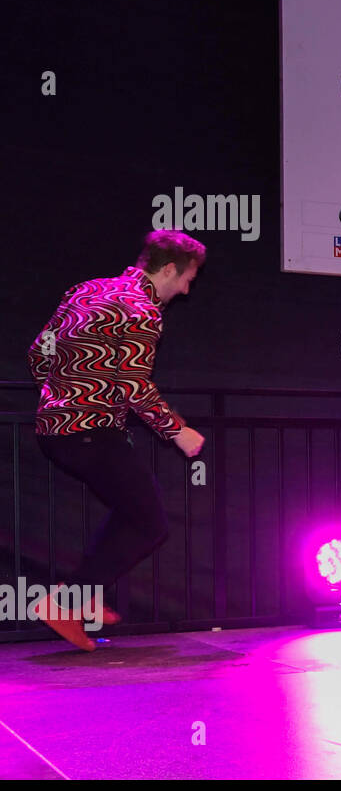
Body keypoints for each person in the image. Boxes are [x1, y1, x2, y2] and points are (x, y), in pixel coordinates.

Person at [26, 229, 207, 651]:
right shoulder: (142, 310)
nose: (184, 289)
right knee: (150, 523)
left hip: (55, 430)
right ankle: (66, 602)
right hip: (90, 432)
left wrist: (61, 393)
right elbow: (132, 384)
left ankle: (81, 596)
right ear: (167, 270)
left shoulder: (87, 289)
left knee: (134, 514)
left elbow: (39, 351)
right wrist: (176, 431)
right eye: (186, 280)